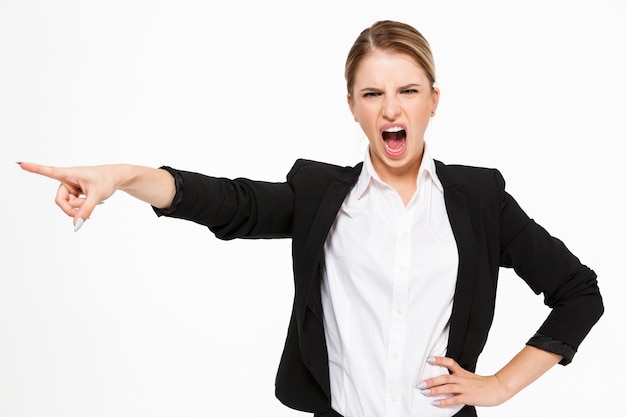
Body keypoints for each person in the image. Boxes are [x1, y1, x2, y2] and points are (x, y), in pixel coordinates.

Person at [18, 20, 603, 417]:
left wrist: (499, 385)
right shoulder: (324, 195)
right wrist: (123, 176)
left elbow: (579, 293)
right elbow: (231, 203)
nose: (392, 108)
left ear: (433, 99)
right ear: (352, 105)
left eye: (408, 89)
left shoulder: (478, 199)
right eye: (372, 94)